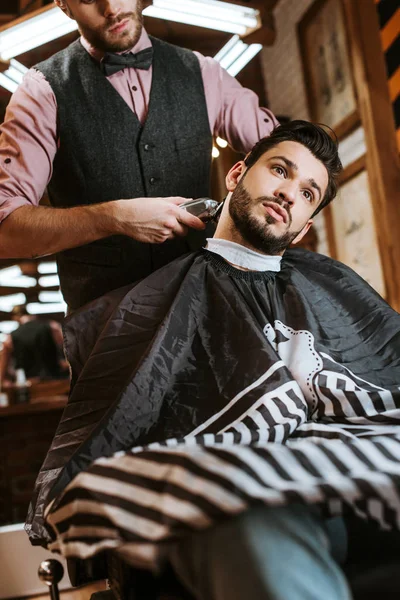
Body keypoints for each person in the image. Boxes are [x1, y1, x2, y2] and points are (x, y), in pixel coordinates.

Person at [27, 121, 400, 600]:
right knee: (232, 509)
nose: (289, 193)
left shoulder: (331, 283)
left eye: (308, 193)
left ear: (306, 226)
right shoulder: (158, 300)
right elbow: (132, 424)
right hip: (252, 497)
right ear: (237, 173)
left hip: (355, 475)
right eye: (280, 171)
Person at [0, 0, 278, 311]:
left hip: (208, 306)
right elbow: (5, 230)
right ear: (63, 6)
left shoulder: (205, 73)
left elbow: (283, 155)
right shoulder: (41, 90)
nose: (111, 9)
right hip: (105, 328)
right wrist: (113, 217)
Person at [0, 305, 69, 385]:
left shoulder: (10, 338)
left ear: (15, 318)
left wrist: (2, 382)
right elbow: (69, 348)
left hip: (29, 385)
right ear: (31, 315)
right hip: (56, 381)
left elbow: (4, 363)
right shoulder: (52, 326)